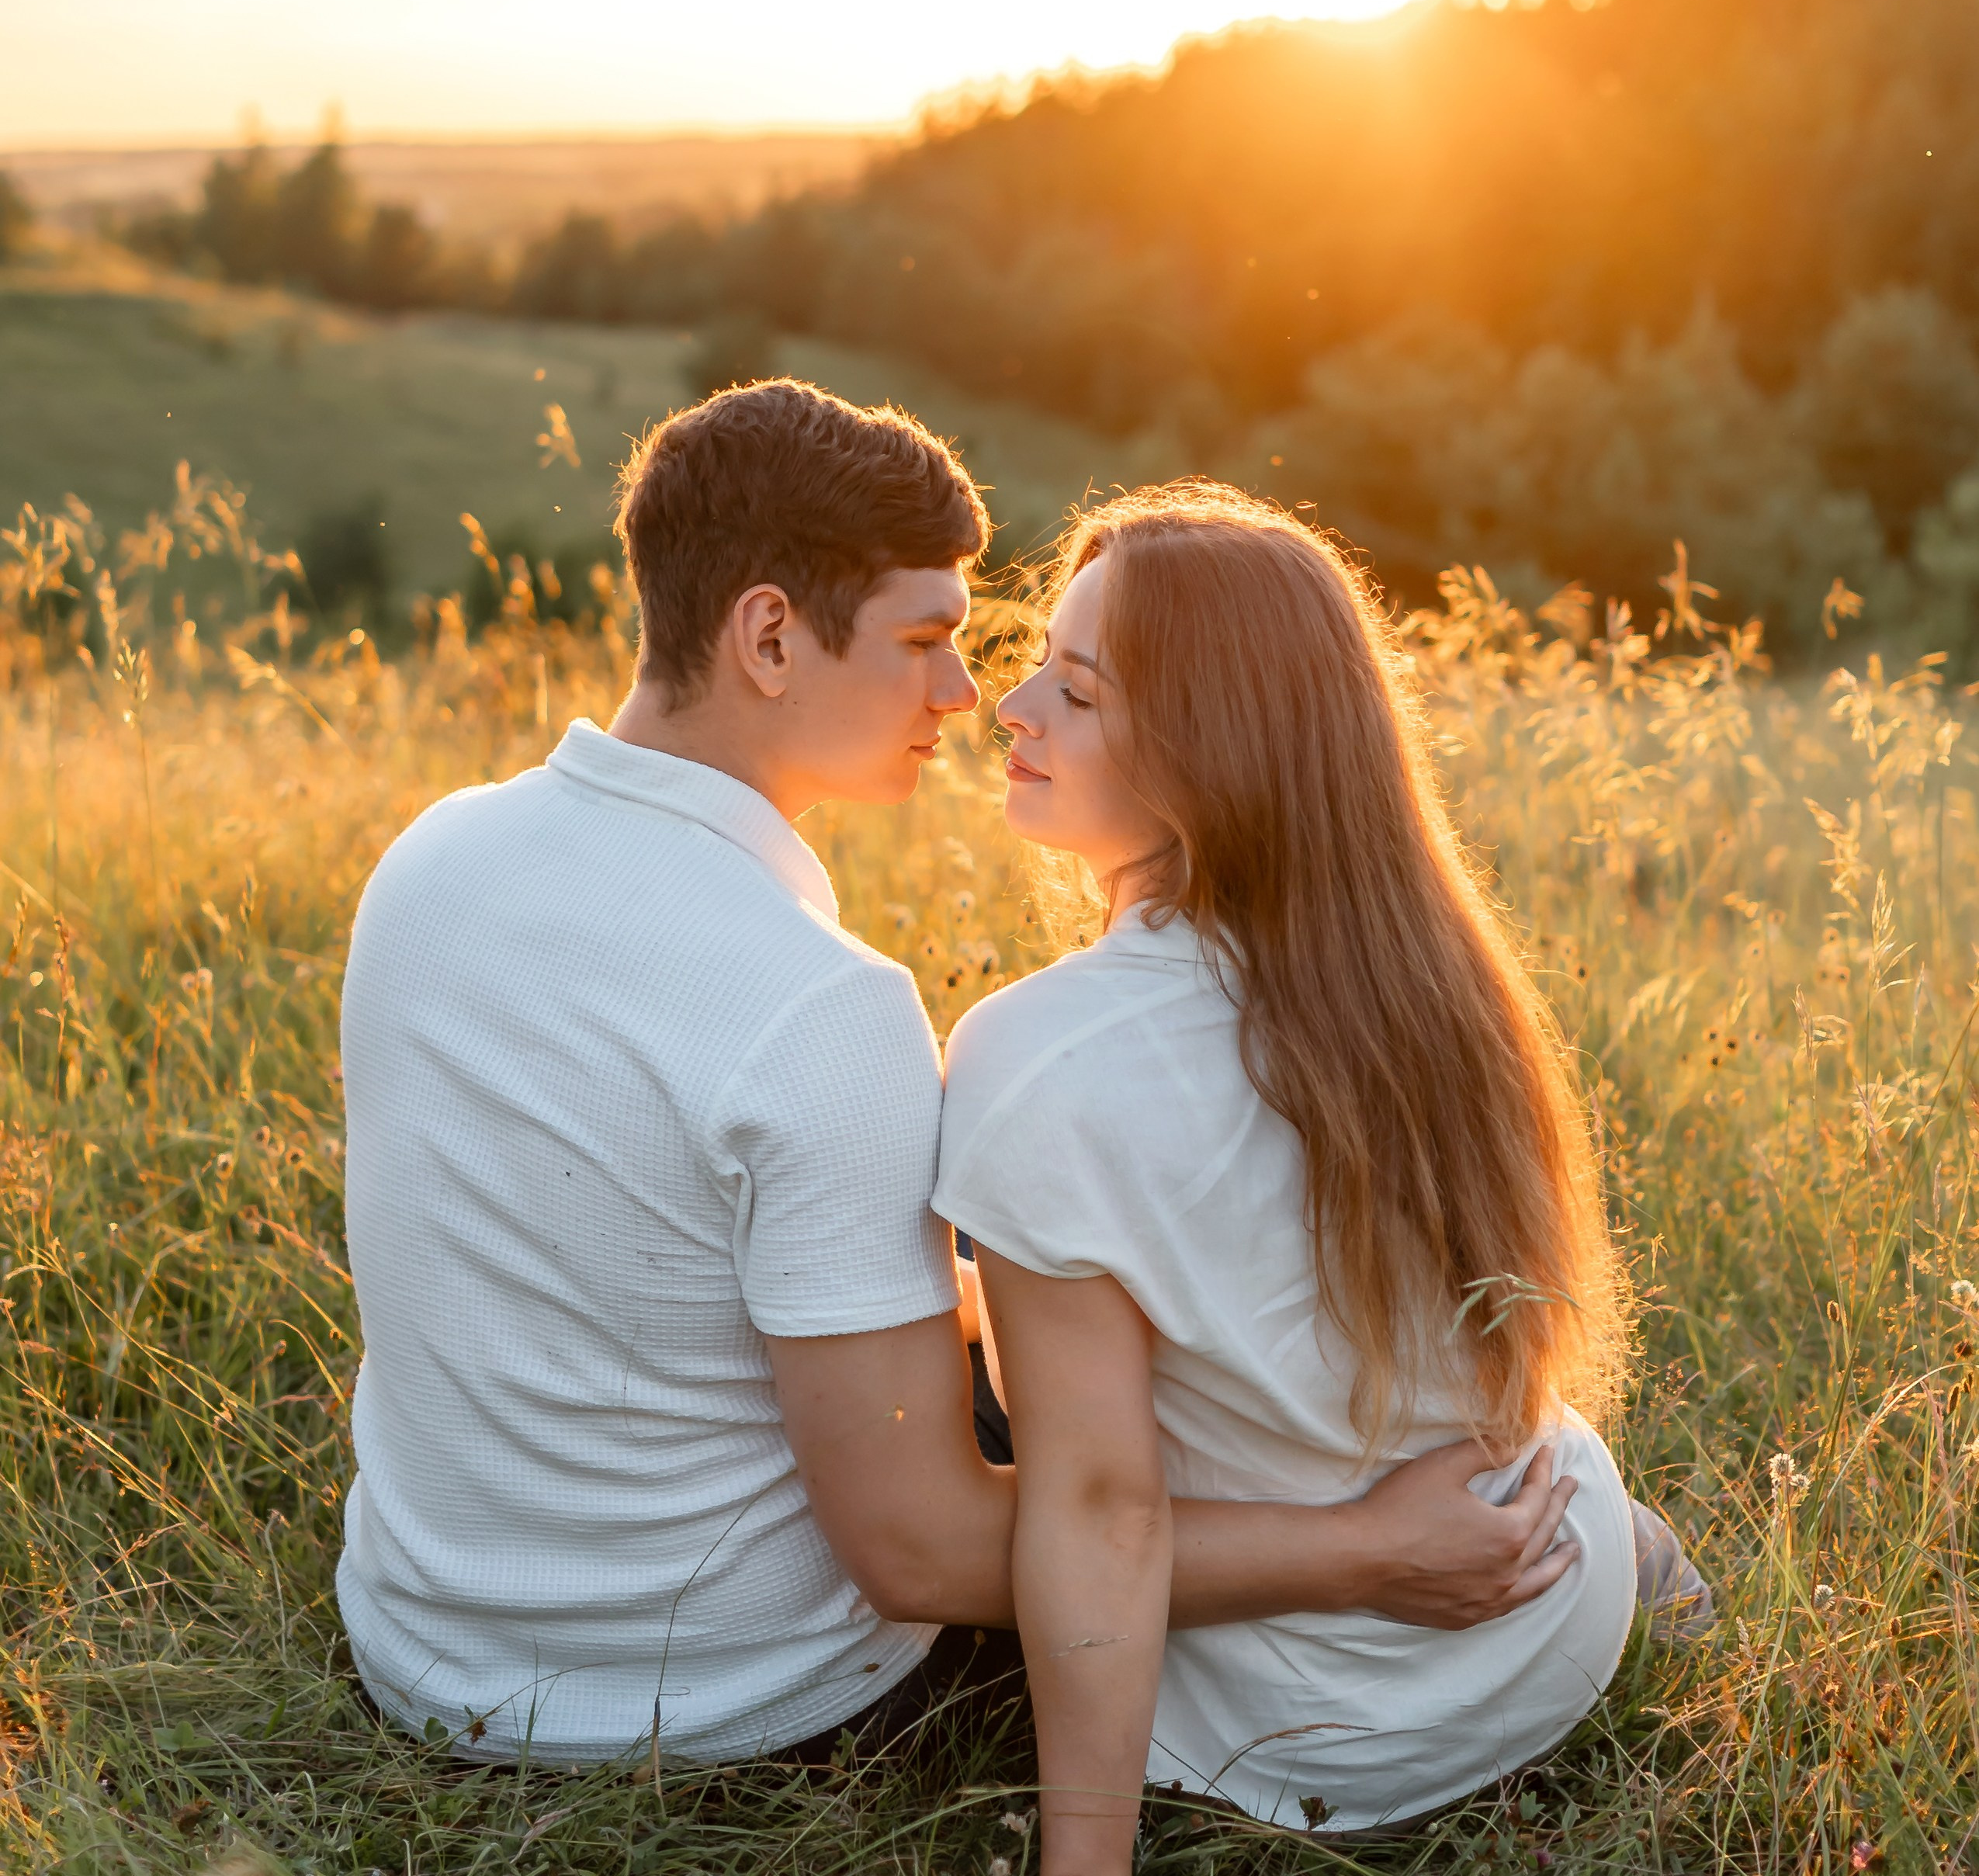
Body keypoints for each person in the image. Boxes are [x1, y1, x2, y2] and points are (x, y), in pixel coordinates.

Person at [336, 388, 1579, 1770]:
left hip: (421, 1644)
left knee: (1077, 1329)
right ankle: (1573, 1554)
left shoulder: (430, 861)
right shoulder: (819, 1009)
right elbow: (920, 1555)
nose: (964, 693)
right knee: (1149, 1428)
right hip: (727, 1702)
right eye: (925, 639)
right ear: (766, 636)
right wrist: (1362, 1554)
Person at [935, 484, 1699, 1876]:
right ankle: (1651, 1564)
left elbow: (1096, 1494)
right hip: (1540, 1606)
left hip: (1318, 1727)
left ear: (1210, 752)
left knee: (968, 1397)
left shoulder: (1036, 1056)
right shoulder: (1433, 977)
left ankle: (1647, 1562)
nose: (1009, 706)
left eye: (1073, 690)